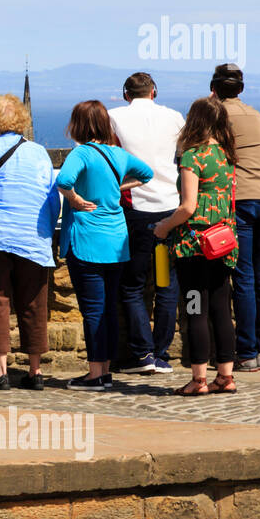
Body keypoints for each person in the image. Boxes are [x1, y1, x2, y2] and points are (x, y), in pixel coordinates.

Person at [56, 101, 153, 391]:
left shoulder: (82, 153)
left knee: (93, 311)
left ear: (78, 125)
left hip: (87, 240)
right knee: (109, 307)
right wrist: (116, 189)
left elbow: (63, 180)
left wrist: (74, 199)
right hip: (116, 242)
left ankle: (95, 373)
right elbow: (146, 174)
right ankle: (105, 370)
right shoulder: (118, 154)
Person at [152, 97, 240, 395]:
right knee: (221, 309)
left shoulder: (193, 156)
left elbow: (188, 207)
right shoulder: (227, 155)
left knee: (195, 310)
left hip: (194, 247)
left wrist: (163, 227)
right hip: (223, 243)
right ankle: (226, 377)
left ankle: (199, 379)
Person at [0, 95, 59, 391]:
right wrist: (46, 234)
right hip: (32, 237)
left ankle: (0, 372)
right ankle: (35, 371)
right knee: (34, 303)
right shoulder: (38, 152)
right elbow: (52, 198)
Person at [108, 72, 186, 376]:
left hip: (136, 210)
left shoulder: (115, 117)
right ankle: (162, 352)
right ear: (153, 92)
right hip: (169, 209)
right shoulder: (174, 117)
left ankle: (143, 354)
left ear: (126, 94)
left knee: (133, 285)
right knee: (165, 282)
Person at [212, 63, 260, 372]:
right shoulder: (256, 115)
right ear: (241, 88)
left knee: (243, 276)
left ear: (214, 89)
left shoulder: (216, 115)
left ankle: (247, 351)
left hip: (239, 200)